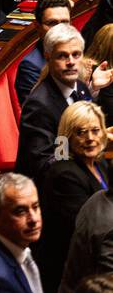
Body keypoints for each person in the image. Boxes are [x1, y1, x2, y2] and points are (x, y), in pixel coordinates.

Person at [36, 102, 110, 293]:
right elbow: (85, 229)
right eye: (81, 132)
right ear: (67, 137)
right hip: (73, 274)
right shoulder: (64, 174)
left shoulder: (100, 163)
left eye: (95, 131)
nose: (90, 138)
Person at [18, 24, 109, 179]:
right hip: (55, 190)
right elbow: (45, 163)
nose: (71, 62)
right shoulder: (39, 106)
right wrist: (86, 146)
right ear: (48, 57)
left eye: (76, 54)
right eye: (62, 56)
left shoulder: (80, 87)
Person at [16, 0, 73, 100]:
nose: (60, 29)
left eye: (65, 22)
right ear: (37, 26)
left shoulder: (75, 54)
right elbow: (41, 113)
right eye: (52, 23)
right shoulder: (31, 66)